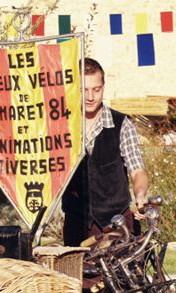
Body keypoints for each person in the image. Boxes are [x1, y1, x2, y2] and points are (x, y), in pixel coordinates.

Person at [62, 58, 149, 247]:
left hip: (117, 223)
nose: (90, 97)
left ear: (103, 87)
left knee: (122, 267)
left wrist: (140, 195)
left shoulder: (122, 124)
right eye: (84, 90)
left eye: (96, 89)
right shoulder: (63, 126)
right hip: (76, 225)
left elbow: (137, 170)